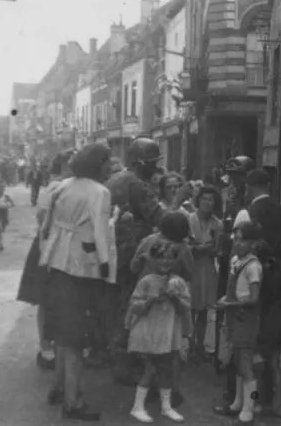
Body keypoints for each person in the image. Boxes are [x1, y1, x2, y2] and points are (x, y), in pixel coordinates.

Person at [106, 138, 190, 389]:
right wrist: (180, 199)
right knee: (134, 308)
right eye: (152, 163)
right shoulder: (137, 185)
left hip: (114, 254)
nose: (155, 168)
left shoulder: (115, 180)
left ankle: (118, 361)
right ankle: (129, 366)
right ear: (141, 162)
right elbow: (164, 220)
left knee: (119, 308)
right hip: (137, 255)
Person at [40, 143, 114, 421]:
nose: (111, 165)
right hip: (82, 268)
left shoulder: (63, 185)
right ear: (99, 164)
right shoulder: (100, 192)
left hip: (56, 261)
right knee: (76, 336)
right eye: (108, 160)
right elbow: (99, 230)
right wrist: (105, 266)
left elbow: (47, 224)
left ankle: (58, 387)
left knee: (61, 330)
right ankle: (73, 402)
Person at [234, 169, 281, 418]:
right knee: (273, 359)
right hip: (276, 298)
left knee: (252, 356)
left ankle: (252, 402)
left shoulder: (248, 215)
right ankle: (273, 405)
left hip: (255, 302)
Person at [126, 216, 193, 423]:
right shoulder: (148, 281)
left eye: (170, 258)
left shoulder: (177, 282)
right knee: (152, 365)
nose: (166, 261)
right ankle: (139, 405)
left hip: (169, 325)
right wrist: (148, 301)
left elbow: (185, 307)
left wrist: (186, 331)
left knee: (166, 362)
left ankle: (166, 405)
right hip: (150, 322)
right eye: (161, 258)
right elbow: (135, 304)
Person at [16, 149, 76, 371]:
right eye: (70, 164)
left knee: (62, 299)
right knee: (46, 299)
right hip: (48, 246)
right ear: (63, 167)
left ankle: (58, 345)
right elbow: (42, 217)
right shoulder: (54, 187)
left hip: (64, 245)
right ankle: (46, 347)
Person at [213, 222, 265, 426]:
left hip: (245, 317)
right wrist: (226, 298)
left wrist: (230, 303)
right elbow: (236, 290)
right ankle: (237, 402)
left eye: (243, 239)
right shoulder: (235, 260)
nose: (238, 242)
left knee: (246, 363)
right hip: (234, 315)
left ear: (253, 243)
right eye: (236, 238)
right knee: (237, 360)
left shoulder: (254, 266)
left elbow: (253, 298)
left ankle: (249, 409)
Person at [187, 185, 223, 361]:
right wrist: (204, 248)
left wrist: (203, 248)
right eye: (204, 199)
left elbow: (217, 249)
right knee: (190, 307)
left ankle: (200, 345)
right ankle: (189, 344)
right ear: (198, 200)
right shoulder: (190, 219)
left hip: (207, 268)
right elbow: (189, 247)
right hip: (192, 268)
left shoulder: (218, 223)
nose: (207, 203)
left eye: (211, 200)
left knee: (203, 310)